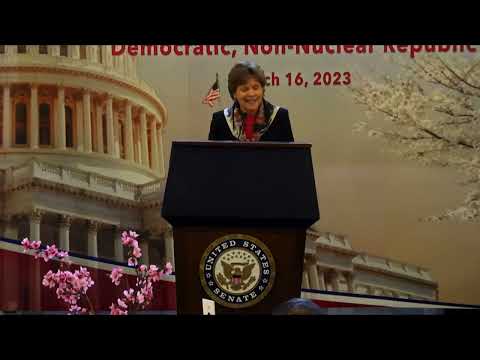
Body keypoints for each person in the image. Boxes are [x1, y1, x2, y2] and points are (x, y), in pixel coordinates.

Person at [208, 61, 294, 142]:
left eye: (255, 88)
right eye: (245, 89)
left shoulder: (280, 116)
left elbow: (291, 156)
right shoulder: (220, 120)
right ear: (234, 93)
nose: (251, 94)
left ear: (262, 90)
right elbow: (210, 156)